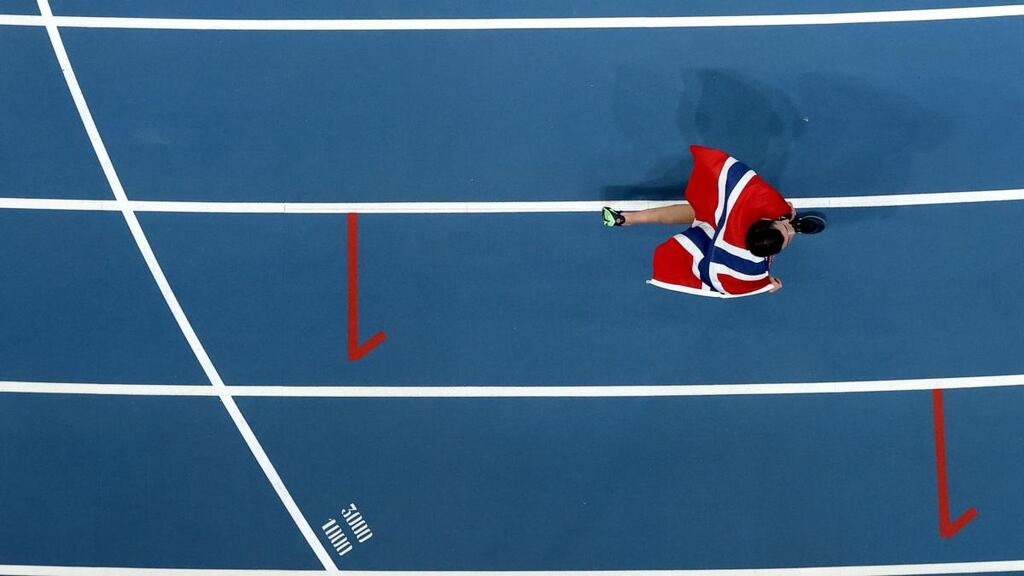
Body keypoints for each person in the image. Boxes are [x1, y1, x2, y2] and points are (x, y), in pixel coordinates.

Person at [602, 145, 824, 298]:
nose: (788, 229)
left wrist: (782, 212)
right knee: (692, 214)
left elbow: (746, 282)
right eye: (787, 229)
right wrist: (766, 284)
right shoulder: (748, 262)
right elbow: (741, 283)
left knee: (695, 212)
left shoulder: (751, 207)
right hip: (719, 234)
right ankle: (627, 218)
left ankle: (627, 218)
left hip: (716, 237)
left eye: (785, 230)